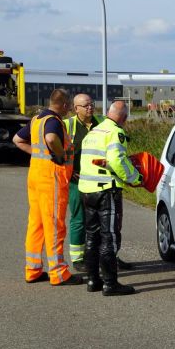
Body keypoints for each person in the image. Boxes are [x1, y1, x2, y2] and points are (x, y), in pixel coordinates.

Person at [12, 89, 82, 286]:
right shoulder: (54, 121)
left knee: (37, 225)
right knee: (54, 226)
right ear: (65, 105)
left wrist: (37, 153)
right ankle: (59, 273)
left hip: (35, 176)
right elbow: (51, 139)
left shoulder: (36, 119)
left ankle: (32, 270)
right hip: (52, 179)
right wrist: (58, 156)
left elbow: (17, 140)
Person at [63, 95, 133, 273]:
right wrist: (70, 172)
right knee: (79, 219)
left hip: (102, 180)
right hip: (77, 180)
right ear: (75, 108)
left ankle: (110, 258)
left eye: (92, 104)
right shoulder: (67, 125)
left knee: (108, 224)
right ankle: (79, 259)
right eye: (85, 105)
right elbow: (57, 151)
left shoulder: (102, 121)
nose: (90, 108)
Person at [79, 100, 142, 295]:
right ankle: (110, 284)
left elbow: (94, 160)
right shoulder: (116, 132)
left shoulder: (94, 132)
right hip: (106, 190)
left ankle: (93, 280)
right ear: (123, 118)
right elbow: (117, 160)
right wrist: (135, 178)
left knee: (92, 237)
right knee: (109, 237)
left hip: (86, 190)